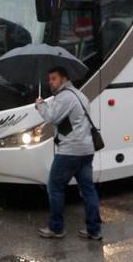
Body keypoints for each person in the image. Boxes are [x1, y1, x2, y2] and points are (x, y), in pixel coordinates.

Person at [34, 66, 102, 241]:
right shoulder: (80, 95)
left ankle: (56, 228)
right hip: (86, 151)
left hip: (70, 151)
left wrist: (40, 105)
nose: (50, 82)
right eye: (49, 79)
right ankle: (94, 230)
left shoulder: (65, 97)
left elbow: (52, 118)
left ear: (64, 79)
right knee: (88, 190)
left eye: (53, 79)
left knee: (54, 187)